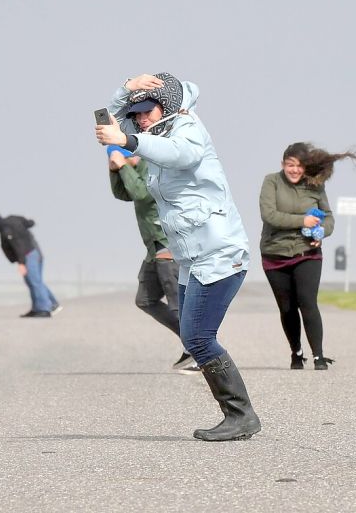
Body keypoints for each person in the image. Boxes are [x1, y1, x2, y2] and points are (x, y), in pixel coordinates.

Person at [96, 72, 260, 441]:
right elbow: (113, 119)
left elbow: (182, 156)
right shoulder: (157, 132)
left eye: (145, 112)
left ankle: (241, 416)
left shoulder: (186, 128)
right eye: (135, 114)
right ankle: (239, 415)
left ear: (166, 105)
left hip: (219, 251)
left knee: (199, 337)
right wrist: (127, 88)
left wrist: (128, 140)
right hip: (191, 256)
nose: (139, 119)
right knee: (193, 334)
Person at [258, 142, 356, 369]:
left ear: (306, 167)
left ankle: (318, 356)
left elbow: (328, 218)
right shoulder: (271, 182)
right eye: (290, 164)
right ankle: (296, 353)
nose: (294, 170)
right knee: (287, 307)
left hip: (308, 252)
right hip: (274, 253)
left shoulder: (315, 185)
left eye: (299, 165)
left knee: (308, 302)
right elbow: (269, 215)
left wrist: (322, 232)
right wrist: (302, 221)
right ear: (282, 164)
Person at [106, 145, 198, 373]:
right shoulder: (134, 169)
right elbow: (123, 194)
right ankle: (193, 343)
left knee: (178, 305)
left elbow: (141, 193)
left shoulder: (154, 168)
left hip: (169, 246)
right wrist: (115, 171)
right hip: (153, 249)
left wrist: (123, 166)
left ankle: (199, 352)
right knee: (145, 299)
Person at [0, 211, 61, 318]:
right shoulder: (14, 219)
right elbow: (29, 223)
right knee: (34, 281)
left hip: (28, 255)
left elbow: (18, 246)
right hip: (33, 252)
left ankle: (44, 308)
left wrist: (21, 263)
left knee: (35, 281)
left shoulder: (6, 229)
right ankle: (42, 307)